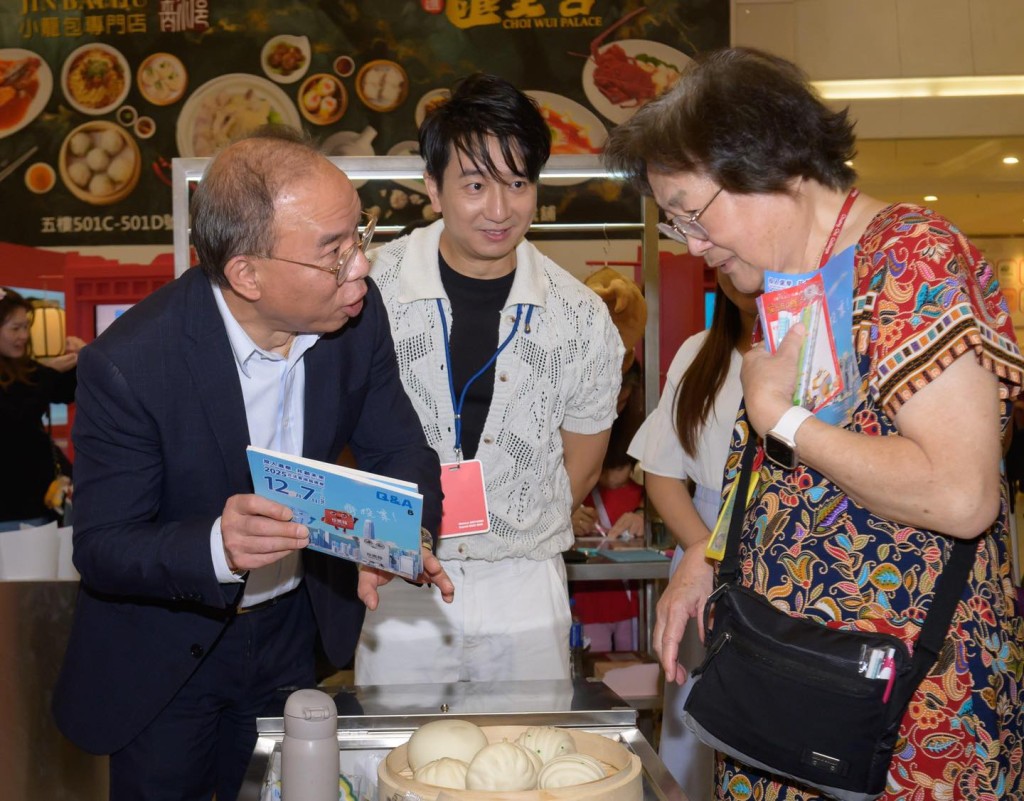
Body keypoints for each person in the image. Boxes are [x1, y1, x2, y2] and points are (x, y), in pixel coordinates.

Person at [604, 47, 1024, 799]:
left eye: (693, 214)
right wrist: (712, 549)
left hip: (901, 716)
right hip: (789, 694)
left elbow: (963, 496)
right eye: (674, 224)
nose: (693, 245)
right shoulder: (789, 288)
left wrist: (782, 415)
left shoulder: (910, 260)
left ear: (774, 165)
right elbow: (786, 476)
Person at [52, 128, 453, 801]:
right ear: (247, 273)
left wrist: (405, 534)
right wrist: (216, 543)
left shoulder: (354, 318)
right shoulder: (130, 365)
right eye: (333, 252)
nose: (359, 267)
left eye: (360, 236)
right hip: (168, 653)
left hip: (291, 634)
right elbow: (103, 545)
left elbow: (400, 449)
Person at [356, 72, 623, 685]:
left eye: (518, 184)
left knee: (526, 767)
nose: (499, 210)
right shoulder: (370, 290)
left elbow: (579, 464)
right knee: (398, 766)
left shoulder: (578, 315)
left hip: (524, 584)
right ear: (434, 187)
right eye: (475, 185)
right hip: (399, 576)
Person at [627, 273, 757, 800]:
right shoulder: (699, 353)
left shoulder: (819, 349)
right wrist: (706, 550)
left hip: (788, 550)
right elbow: (660, 472)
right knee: (694, 716)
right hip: (701, 543)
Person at [0, 287, 83, 531]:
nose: (23, 336)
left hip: (39, 500)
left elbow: (65, 392)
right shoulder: (35, 372)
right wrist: (48, 373)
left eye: (26, 326)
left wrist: (83, 359)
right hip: (10, 508)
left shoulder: (24, 368)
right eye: (15, 328)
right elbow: (17, 416)